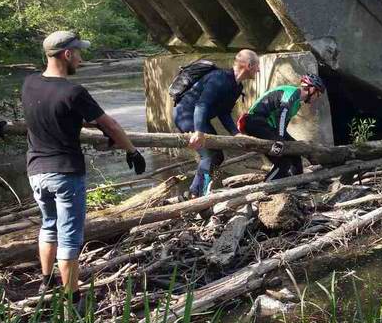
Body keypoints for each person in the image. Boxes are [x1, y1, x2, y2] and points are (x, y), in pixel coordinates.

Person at [22, 30, 145, 303]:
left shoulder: (29, 83)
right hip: (65, 173)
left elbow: (53, 115)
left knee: (48, 225)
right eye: (78, 53)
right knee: (70, 236)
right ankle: (73, 298)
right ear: (67, 54)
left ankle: (46, 282)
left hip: (36, 172)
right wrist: (132, 151)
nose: (81, 58)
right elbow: (110, 124)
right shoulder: (74, 91)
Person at [173, 49, 259, 197]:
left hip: (200, 118)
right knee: (210, 155)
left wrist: (236, 134)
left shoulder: (237, 87)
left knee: (217, 156)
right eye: (257, 66)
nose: (259, 70)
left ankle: (197, 191)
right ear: (249, 65)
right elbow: (202, 105)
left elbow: (224, 112)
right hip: (186, 115)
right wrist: (198, 132)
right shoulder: (219, 78)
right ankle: (195, 195)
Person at [238, 74, 326, 181]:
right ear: (311, 89)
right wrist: (279, 139)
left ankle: (299, 184)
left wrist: (284, 139)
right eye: (318, 94)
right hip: (255, 122)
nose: (317, 98)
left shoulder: (297, 103)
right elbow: (282, 115)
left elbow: (282, 125)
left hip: (268, 127)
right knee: (283, 164)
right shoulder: (293, 93)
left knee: (295, 153)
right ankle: (265, 188)